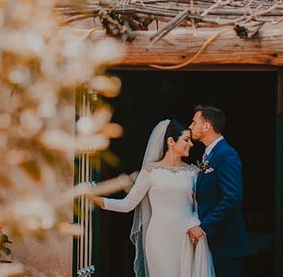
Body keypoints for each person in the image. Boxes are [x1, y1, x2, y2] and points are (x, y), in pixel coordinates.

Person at [91, 120, 214, 277]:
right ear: (171, 141)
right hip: (158, 239)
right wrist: (95, 199)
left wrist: (196, 225)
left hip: (187, 238)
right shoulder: (150, 172)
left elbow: (199, 207)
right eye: (186, 139)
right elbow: (128, 204)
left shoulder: (193, 173)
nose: (191, 144)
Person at [188, 106, 249, 277]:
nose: (190, 126)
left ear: (207, 126)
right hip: (212, 243)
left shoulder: (226, 154)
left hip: (225, 244)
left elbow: (232, 198)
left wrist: (204, 228)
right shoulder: (209, 155)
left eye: (194, 122)